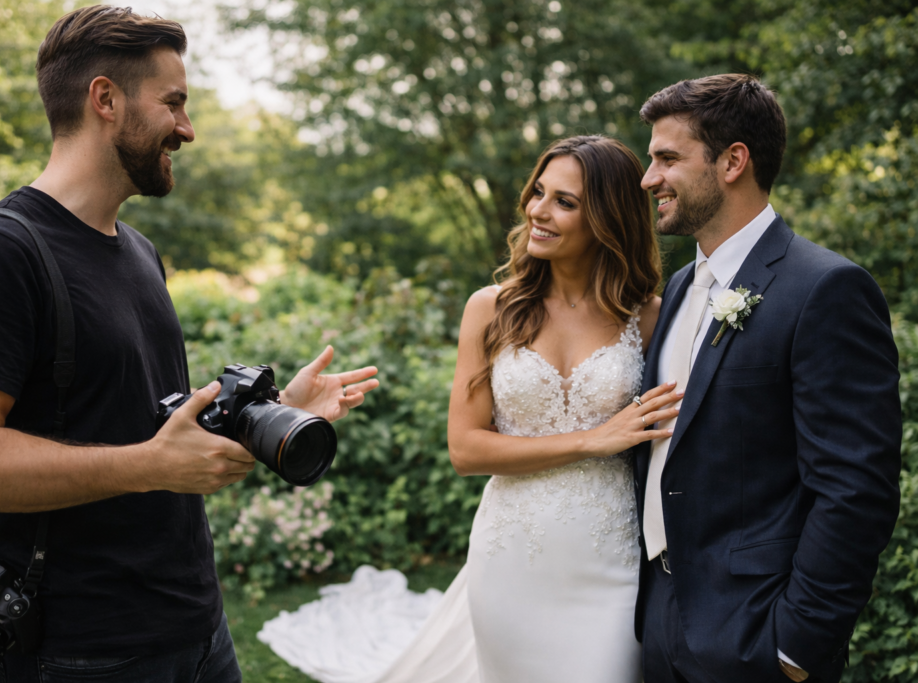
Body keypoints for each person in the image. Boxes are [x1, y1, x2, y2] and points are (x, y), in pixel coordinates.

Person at [0, 6, 377, 682]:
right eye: (174, 103)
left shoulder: (137, 251)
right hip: (84, 652)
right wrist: (148, 466)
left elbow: (140, 424)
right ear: (105, 98)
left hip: (197, 628)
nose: (187, 129)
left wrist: (271, 412)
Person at [256, 135, 681, 683]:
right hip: (511, 557)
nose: (538, 211)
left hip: (610, 559)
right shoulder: (492, 309)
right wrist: (592, 439)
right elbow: (466, 448)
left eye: (564, 202)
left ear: (608, 217)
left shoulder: (647, 316)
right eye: (538, 193)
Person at [632, 74, 901, 683]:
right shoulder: (677, 289)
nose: (650, 179)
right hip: (659, 623)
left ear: (732, 161)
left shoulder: (825, 289)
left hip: (756, 636)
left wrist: (797, 647)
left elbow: (856, 487)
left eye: (667, 158)